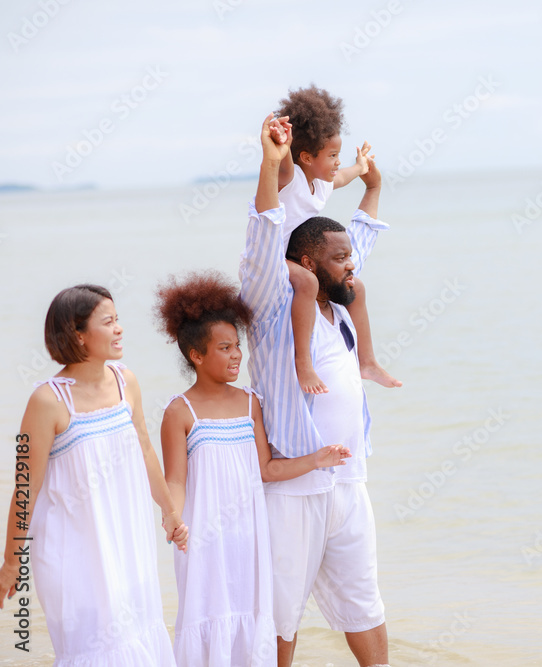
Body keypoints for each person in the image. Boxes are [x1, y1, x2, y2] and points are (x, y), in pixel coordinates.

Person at [240, 114, 391, 667]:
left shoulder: (339, 302)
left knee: (365, 602)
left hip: (350, 483)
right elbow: (262, 234)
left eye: (349, 256)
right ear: (305, 263)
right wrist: (270, 163)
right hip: (295, 488)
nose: (350, 264)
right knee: (283, 612)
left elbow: (360, 241)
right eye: (337, 258)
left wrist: (373, 188)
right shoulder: (273, 306)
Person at [154, 271, 351, 666]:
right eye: (224, 348)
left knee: (252, 614)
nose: (236, 355)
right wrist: (172, 516)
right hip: (204, 535)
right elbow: (174, 478)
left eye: (237, 345)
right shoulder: (180, 411)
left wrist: (317, 460)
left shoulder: (251, 402)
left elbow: (267, 470)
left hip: (249, 533)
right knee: (206, 614)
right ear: (196, 354)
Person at [0, 284, 187, 666]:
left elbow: (146, 450)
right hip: (74, 553)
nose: (119, 329)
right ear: (77, 334)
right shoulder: (47, 400)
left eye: (118, 320)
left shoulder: (125, 381)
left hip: (127, 541)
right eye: (108, 322)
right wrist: (10, 562)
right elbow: (25, 488)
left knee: (139, 639)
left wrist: (170, 513)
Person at [275, 84, 402, 393]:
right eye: (332, 155)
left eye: (339, 155)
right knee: (308, 283)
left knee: (355, 285)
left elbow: (343, 176)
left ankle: (368, 361)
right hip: (276, 259)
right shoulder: (290, 182)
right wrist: (280, 141)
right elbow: (281, 164)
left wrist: (361, 168)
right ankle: (303, 364)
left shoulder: (323, 183)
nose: (336, 162)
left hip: (302, 255)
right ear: (305, 156)